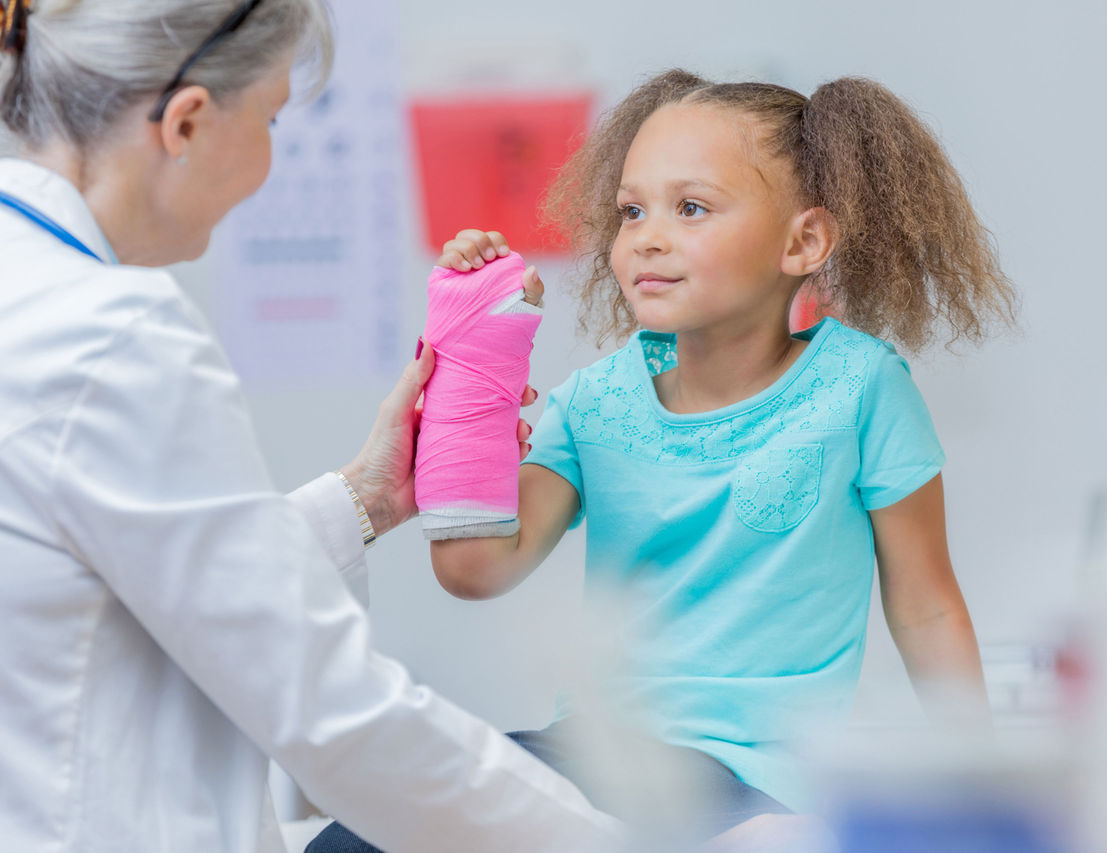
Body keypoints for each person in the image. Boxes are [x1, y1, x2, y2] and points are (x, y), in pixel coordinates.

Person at [314, 68, 1018, 850]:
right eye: (630, 210)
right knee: (353, 838)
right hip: (599, 754)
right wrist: (474, 353)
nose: (646, 236)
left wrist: (981, 789)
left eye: (691, 208)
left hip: (760, 775)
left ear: (804, 241)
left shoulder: (861, 388)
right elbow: (474, 568)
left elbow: (926, 605)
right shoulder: (597, 403)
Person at [0, 1, 625, 850]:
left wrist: (364, 497)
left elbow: (119, 577)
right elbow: (335, 709)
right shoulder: (117, 336)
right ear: (187, 122)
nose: (268, 161)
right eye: (269, 119)